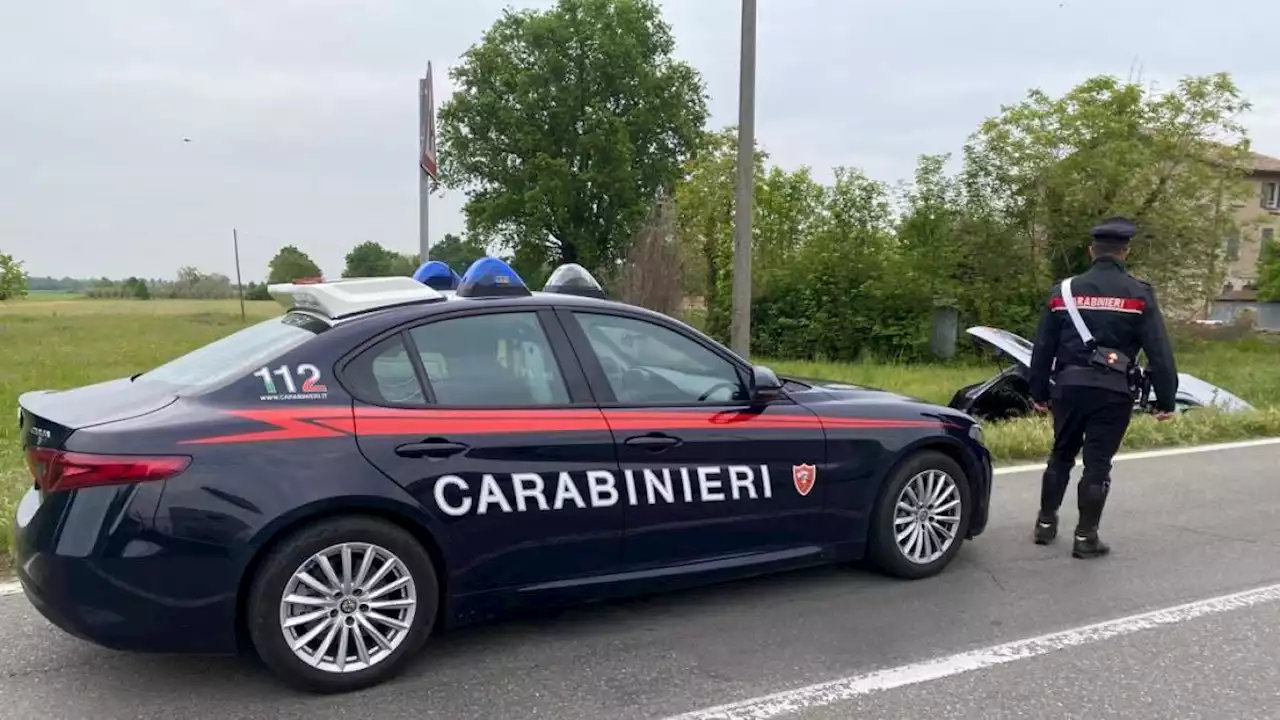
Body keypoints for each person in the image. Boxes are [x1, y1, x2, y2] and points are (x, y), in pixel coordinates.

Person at [1027, 216, 1178, 559]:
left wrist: (1038, 393)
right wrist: (1165, 399)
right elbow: (1160, 352)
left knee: (1061, 454)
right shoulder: (1139, 294)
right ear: (1126, 252)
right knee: (1097, 464)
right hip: (1113, 392)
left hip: (1068, 387)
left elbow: (1042, 349)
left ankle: (1046, 524)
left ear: (1091, 251)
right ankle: (1085, 537)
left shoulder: (1062, 292)